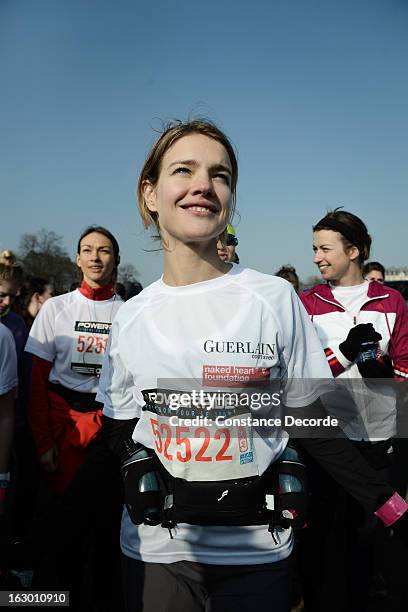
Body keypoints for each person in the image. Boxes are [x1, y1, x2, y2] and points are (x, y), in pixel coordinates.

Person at [97, 120, 408, 612]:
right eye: (184, 169)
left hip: (259, 555)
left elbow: (311, 425)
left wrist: (392, 507)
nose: (204, 184)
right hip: (156, 553)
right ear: (150, 193)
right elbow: (115, 440)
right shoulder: (130, 315)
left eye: (220, 175)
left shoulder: (274, 298)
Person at [300, 209, 408, 611]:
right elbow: (302, 378)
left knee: (371, 549)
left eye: (324, 248)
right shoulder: (305, 303)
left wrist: (382, 374)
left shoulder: (392, 300)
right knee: (327, 549)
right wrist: (343, 355)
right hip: (327, 444)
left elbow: (405, 371)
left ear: (355, 251)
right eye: (314, 249)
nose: (317, 257)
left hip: (380, 442)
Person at [25, 226, 124, 495]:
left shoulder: (129, 312)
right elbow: (36, 383)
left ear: (116, 259)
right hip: (62, 423)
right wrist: (44, 443)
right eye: (87, 251)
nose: (95, 258)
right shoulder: (55, 308)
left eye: (104, 251)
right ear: (77, 259)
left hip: (109, 424)